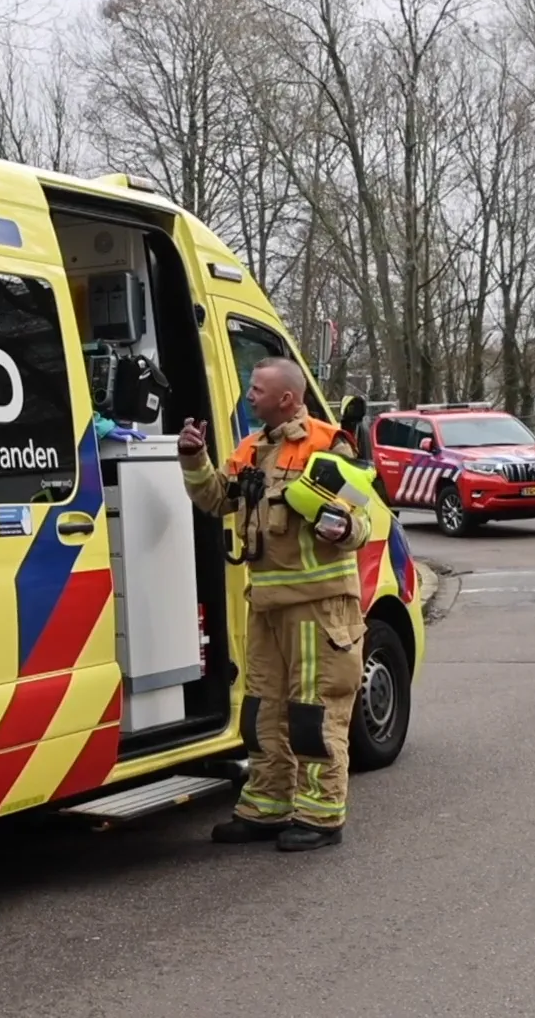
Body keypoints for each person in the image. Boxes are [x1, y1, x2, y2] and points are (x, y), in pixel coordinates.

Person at [176, 356, 373, 852]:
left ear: (287, 397)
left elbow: (363, 519)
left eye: (257, 387)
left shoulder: (329, 444)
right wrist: (193, 460)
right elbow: (217, 500)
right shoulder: (251, 447)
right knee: (262, 712)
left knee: (314, 714)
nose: (248, 394)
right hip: (266, 604)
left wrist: (345, 526)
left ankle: (321, 816)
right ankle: (265, 807)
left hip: (319, 606)